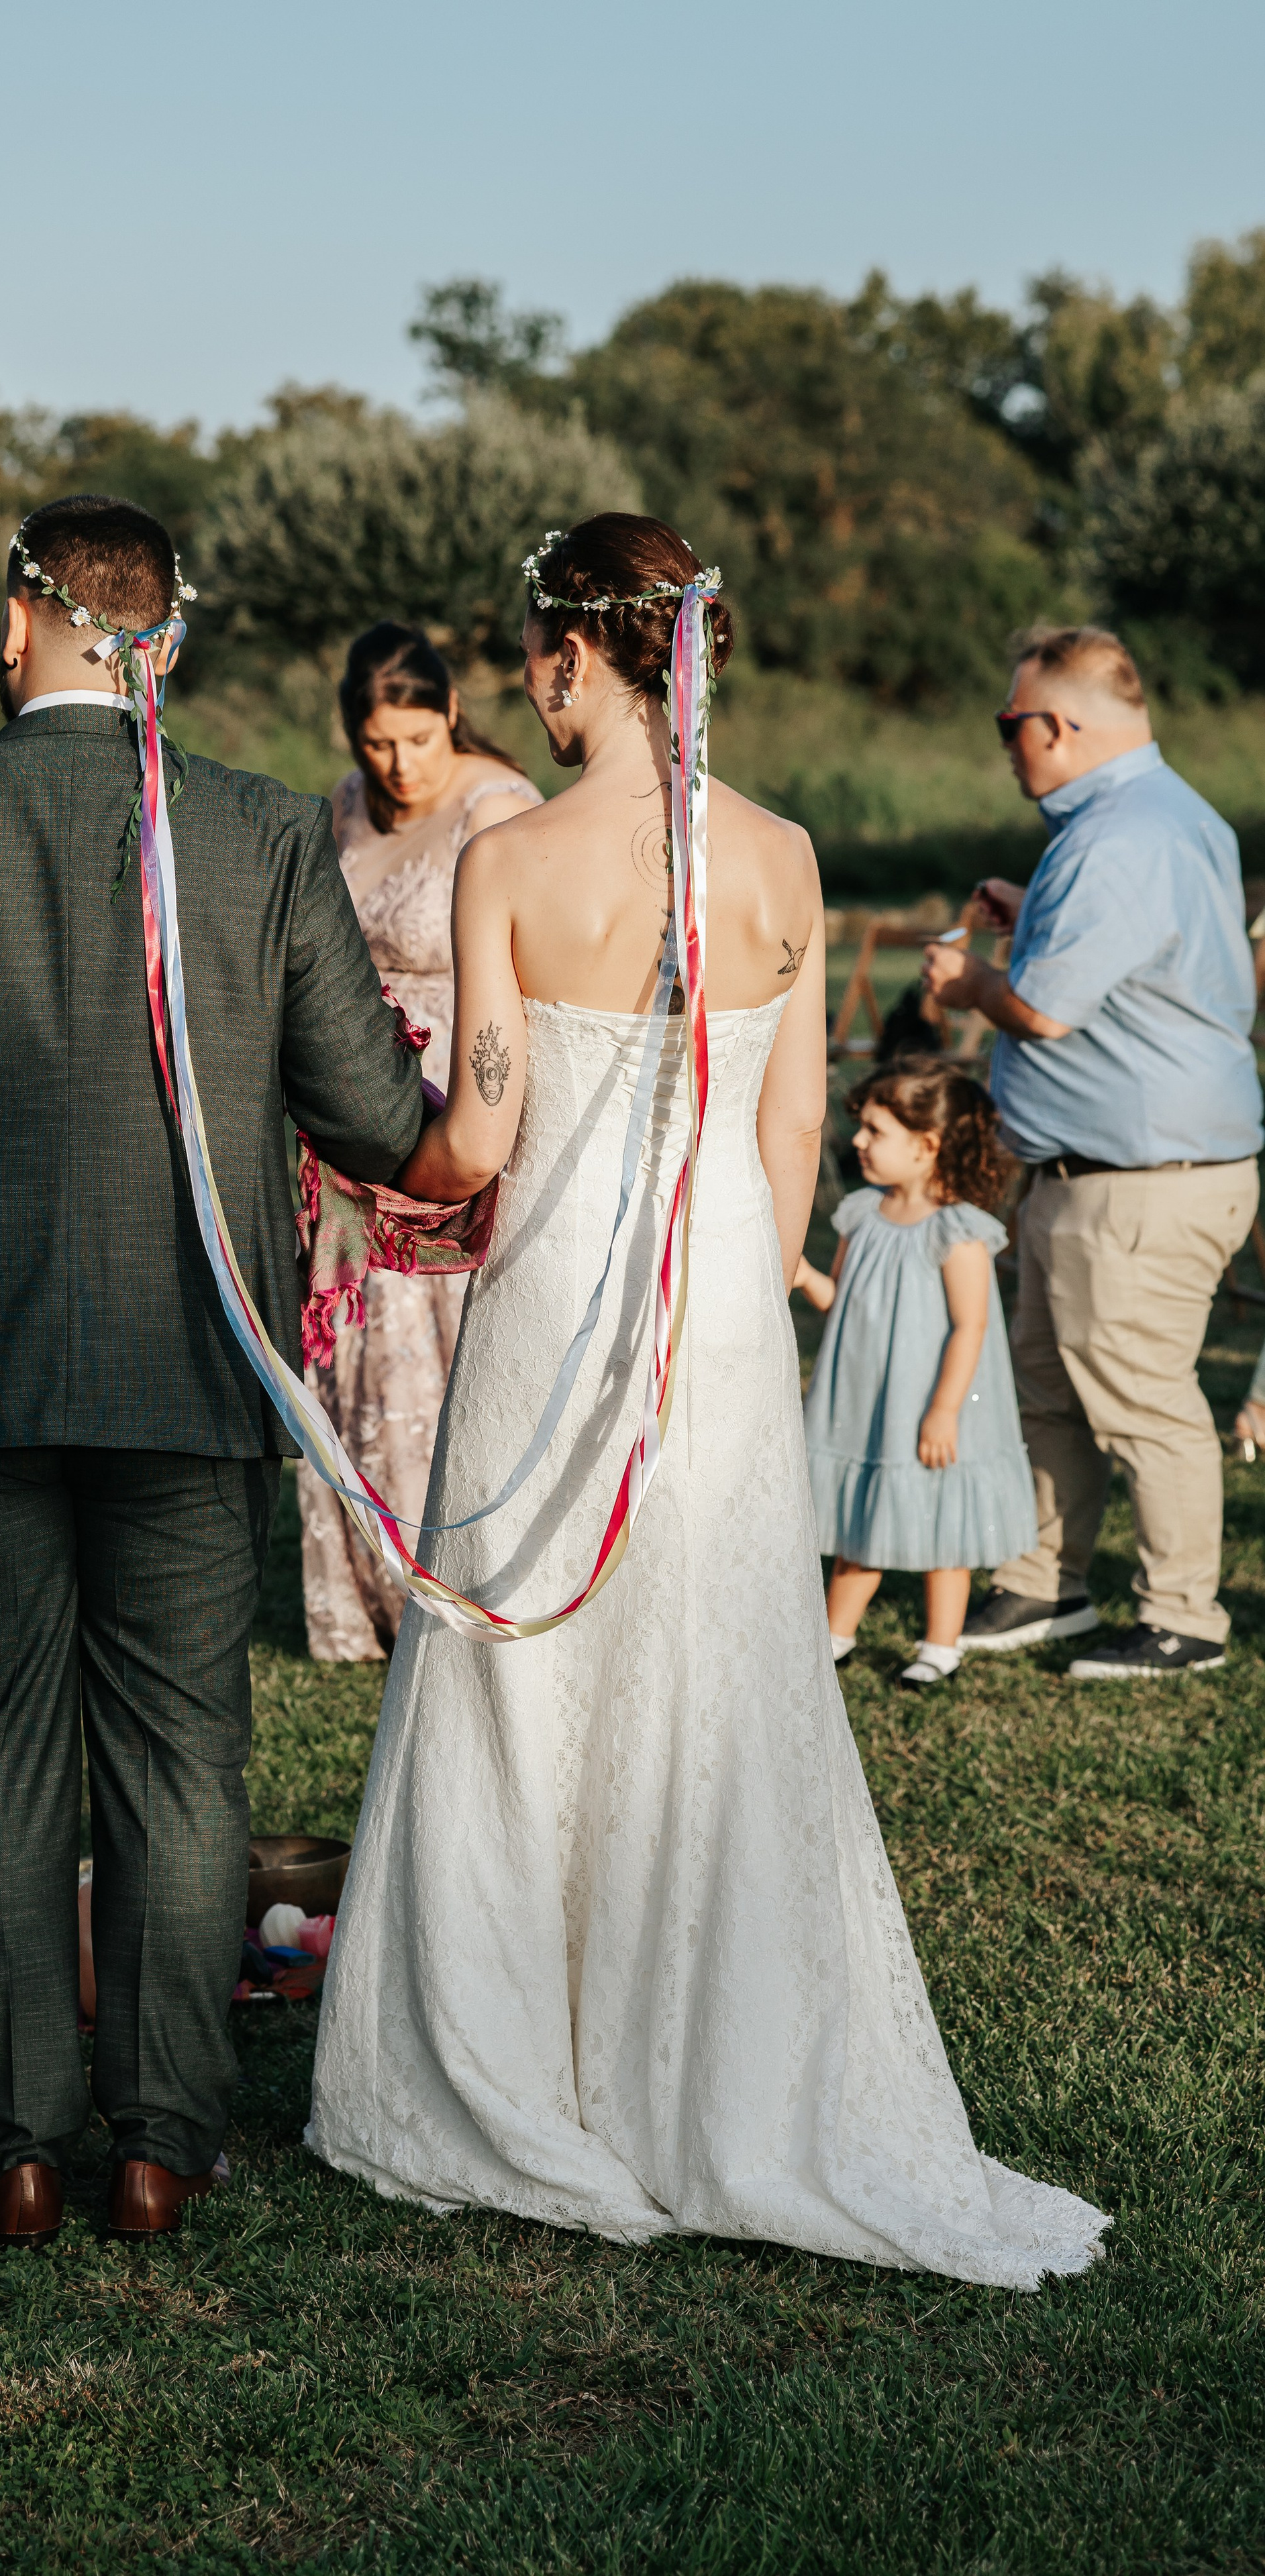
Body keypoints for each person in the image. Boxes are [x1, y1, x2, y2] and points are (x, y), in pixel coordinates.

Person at [308, 515, 1108, 2286]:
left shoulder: (511, 863)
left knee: (531, 1659)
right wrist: (739, 1289)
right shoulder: (785, 857)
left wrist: (388, 1181)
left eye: (537, 647)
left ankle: (528, 2059)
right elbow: (789, 1127)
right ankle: (727, 2063)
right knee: (721, 1658)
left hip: (550, 1298)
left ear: (560, 658)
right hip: (726, 1303)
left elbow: (483, 1133)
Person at [0, 496, 426, 2250]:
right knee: (182, 1764)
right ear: (170, 641)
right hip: (190, 1367)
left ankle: (19, 2151)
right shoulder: (270, 832)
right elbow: (370, 1114)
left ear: (12, 629)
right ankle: (160, 2139)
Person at [923, 625, 1263, 1680]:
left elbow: (1047, 1013)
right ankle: (1044, 1581)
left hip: (1140, 1182)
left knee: (1144, 1400)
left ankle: (1184, 1618)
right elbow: (1146, 963)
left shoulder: (1120, 837)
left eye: (1009, 723)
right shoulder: (1164, 815)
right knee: (1049, 1385)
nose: (1007, 745)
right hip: (1106, 1173)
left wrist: (973, 983)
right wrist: (1033, 918)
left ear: (1060, 726)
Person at [299, 625, 541, 1660]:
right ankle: (367, 1581)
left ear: (450, 713)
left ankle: (461, 1571)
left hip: (461, 1090)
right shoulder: (345, 805)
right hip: (354, 1089)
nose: (398, 763)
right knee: (361, 1327)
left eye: (415, 736)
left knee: (444, 1332)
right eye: (376, 741)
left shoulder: (502, 806)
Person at [794, 1059, 1038, 1690]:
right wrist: (803, 1275)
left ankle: (940, 1645)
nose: (859, 1142)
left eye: (875, 1130)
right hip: (870, 1397)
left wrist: (945, 1409)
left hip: (928, 1399)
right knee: (861, 1521)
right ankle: (834, 1635)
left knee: (940, 1525)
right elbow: (842, 1297)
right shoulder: (858, 1215)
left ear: (927, 1147)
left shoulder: (958, 1232)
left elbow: (971, 1327)